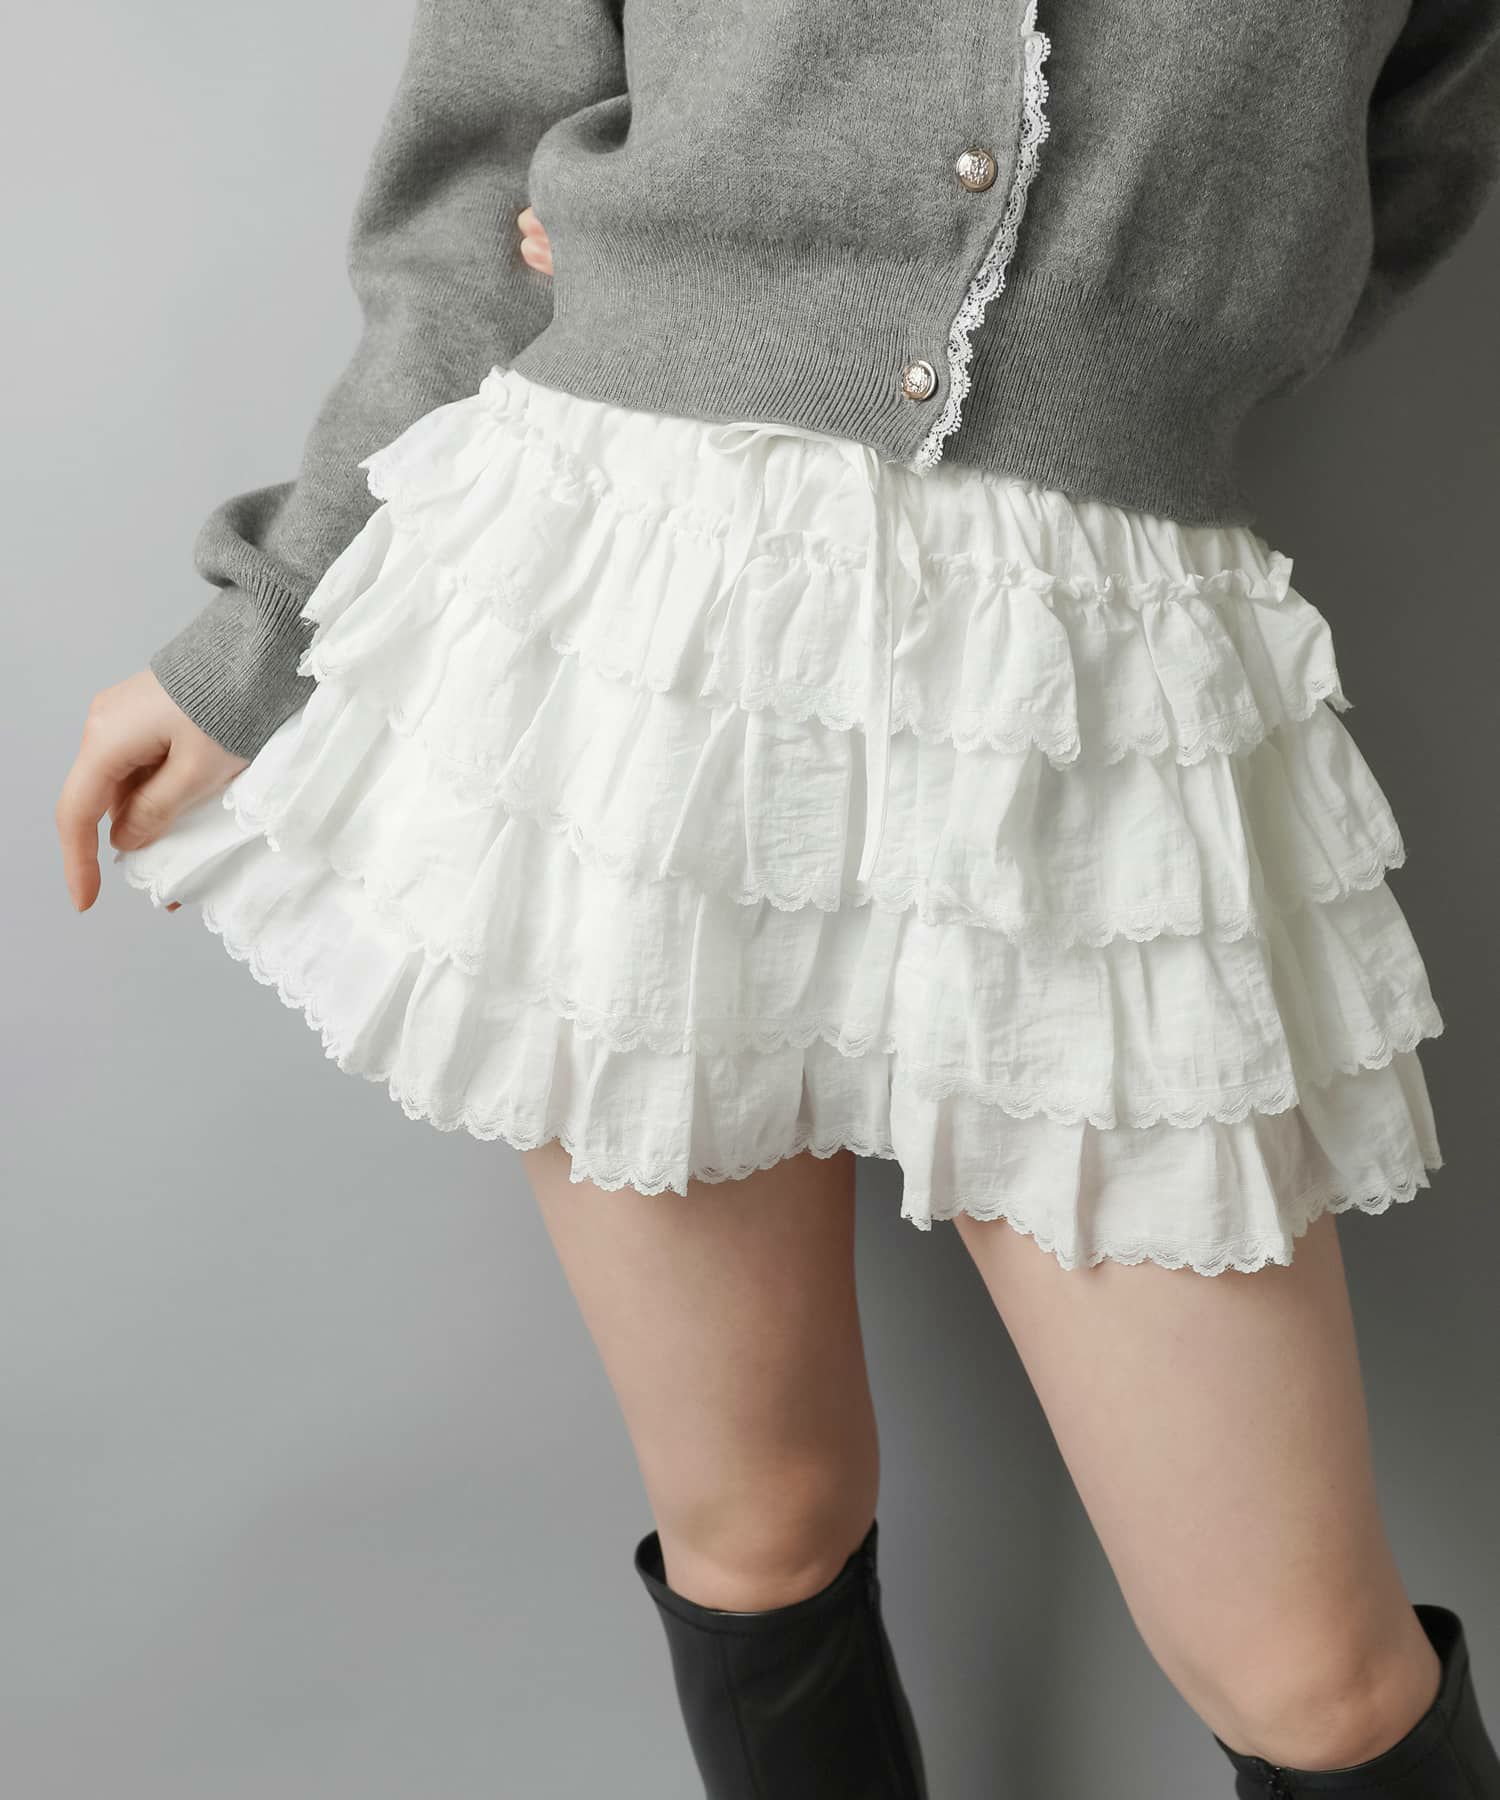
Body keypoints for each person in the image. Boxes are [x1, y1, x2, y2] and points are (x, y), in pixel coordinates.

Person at [54, 2, 1500, 1793]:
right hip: (642, 615)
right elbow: (474, 187)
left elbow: (1415, 142)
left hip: (1090, 660)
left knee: (1311, 1675)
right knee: (762, 1521)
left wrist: (1153, 344)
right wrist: (261, 631)